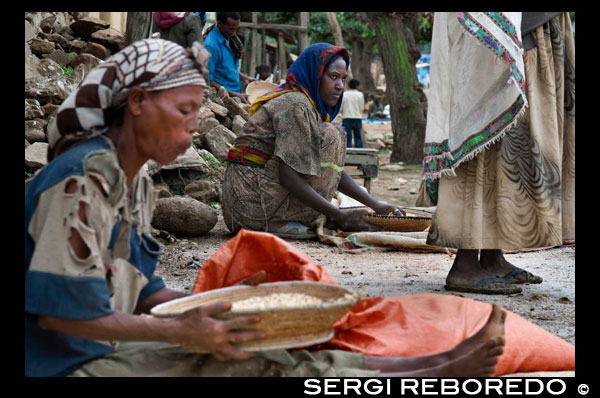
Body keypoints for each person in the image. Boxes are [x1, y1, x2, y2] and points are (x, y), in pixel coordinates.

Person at [25, 38, 509, 378]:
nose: (196, 125)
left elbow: (142, 289)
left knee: (256, 338)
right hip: (63, 364)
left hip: (93, 345)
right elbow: (58, 316)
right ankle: (413, 371)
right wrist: (188, 328)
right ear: (135, 102)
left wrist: (221, 306)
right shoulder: (82, 181)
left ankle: (422, 369)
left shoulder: (131, 181)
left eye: (199, 110)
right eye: (184, 110)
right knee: (249, 362)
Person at [416, 12, 575, 295]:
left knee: (504, 147)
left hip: (531, 28)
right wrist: (510, 40)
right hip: (495, 40)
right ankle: (465, 265)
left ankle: (491, 256)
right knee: (483, 135)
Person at [222, 43, 404, 240]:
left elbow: (332, 170)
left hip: (249, 204)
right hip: (251, 210)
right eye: (333, 77)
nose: (340, 86)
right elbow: (287, 176)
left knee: (330, 133)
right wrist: (338, 215)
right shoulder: (295, 106)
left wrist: (375, 205)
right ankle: (276, 223)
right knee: (331, 135)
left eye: (343, 79)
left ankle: (292, 217)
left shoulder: (306, 105)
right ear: (315, 74)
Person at [203, 12, 255, 103]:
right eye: (231, 29)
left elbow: (227, 68)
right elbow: (208, 81)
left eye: (235, 29)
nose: (233, 32)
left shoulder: (230, 38)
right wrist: (234, 95)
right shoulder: (210, 46)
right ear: (219, 23)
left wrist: (245, 78)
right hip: (222, 99)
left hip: (236, 93)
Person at [340, 78, 365, 148]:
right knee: (358, 136)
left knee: (347, 136)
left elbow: (341, 107)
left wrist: (343, 113)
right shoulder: (360, 94)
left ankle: (348, 152)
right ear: (357, 86)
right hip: (357, 117)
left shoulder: (345, 94)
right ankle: (359, 151)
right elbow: (362, 107)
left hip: (346, 117)